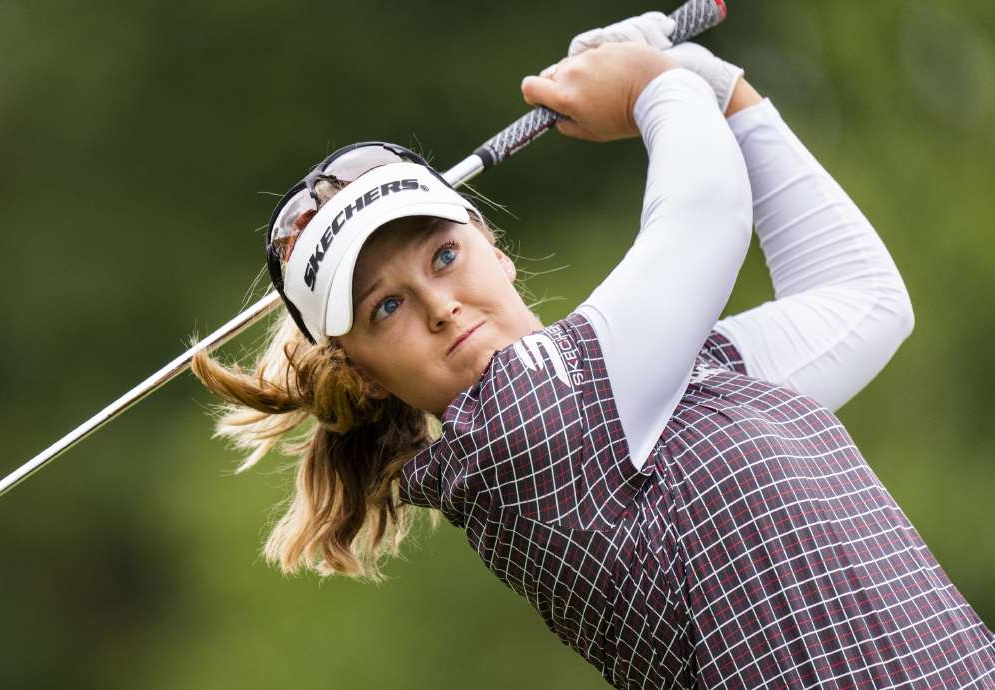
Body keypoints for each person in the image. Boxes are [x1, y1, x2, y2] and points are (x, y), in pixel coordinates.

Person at [193, 13, 995, 688]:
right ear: (364, 375)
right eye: (386, 306)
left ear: (491, 247)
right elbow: (706, 210)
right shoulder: (521, 430)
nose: (440, 306)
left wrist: (720, 89)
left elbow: (863, 303)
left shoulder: (660, 389)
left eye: (443, 256)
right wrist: (655, 85)